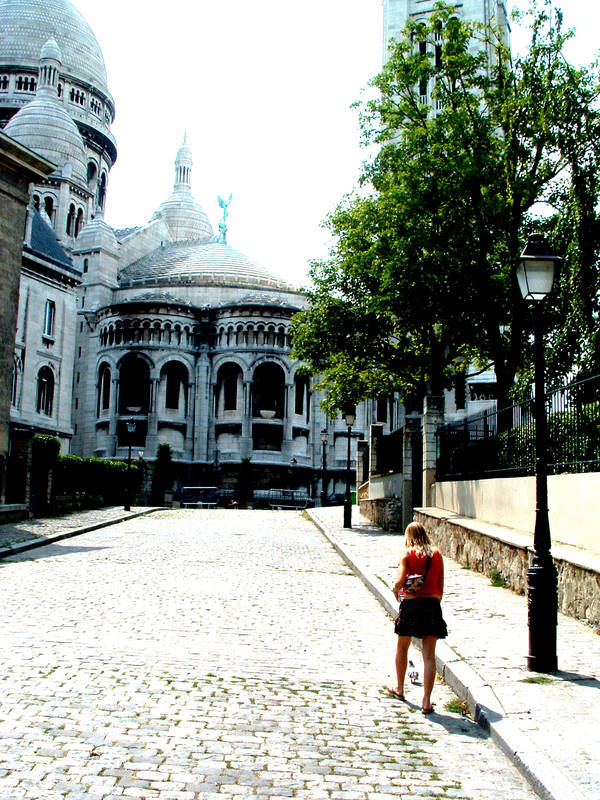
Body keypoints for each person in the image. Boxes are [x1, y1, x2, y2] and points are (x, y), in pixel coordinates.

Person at [385, 522, 448, 714]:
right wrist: (434, 601)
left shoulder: (407, 554)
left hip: (411, 606)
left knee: (402, 647)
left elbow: (400, 581)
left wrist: (396, 591)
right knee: (429, 656)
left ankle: (400, 688)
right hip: (431, 606)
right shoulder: (437, 555)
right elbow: (440, 585)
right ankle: (427, 701)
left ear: (408, 536)